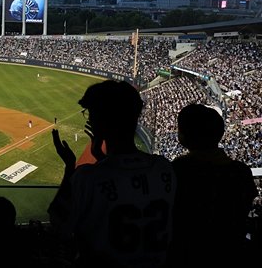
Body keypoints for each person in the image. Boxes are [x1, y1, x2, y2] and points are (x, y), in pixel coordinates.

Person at [48, 80, 176, 268]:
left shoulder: (88, 177)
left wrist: (70, 167)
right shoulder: (164, 168)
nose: (89, 119)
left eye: (91, 114)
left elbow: (58, 225)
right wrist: (101, 157)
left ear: (101, 121)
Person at [168, 103, 258, 267]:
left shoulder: (178, 170)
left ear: (184, 136)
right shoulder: (241, 172)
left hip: (188, 255)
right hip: (230, 254)